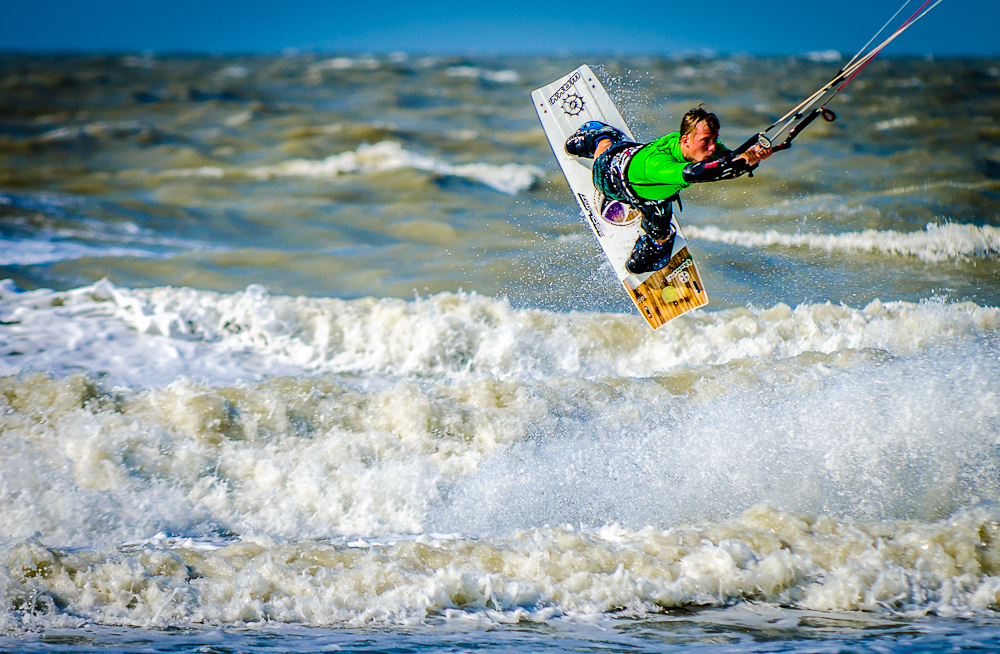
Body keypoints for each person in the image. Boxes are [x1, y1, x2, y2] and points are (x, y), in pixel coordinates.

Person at [565, 106, 772, 274]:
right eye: (705, 141)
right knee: (602, 167)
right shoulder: (659, 165)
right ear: (685, 140)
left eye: (714, 140)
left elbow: (728, 163)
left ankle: (650, 226)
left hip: (652, 190)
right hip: (614, 174)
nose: (712, 147)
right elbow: (695, 173)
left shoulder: (702, 147)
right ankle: (603, 137)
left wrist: (751, 159)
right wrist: (735, 162)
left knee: (642, 261)